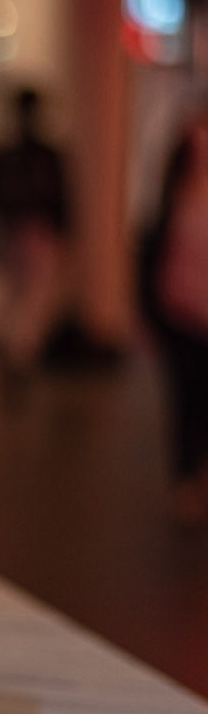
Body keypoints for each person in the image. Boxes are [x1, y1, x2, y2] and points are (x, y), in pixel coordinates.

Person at [0, 87, 70, 391]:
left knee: (22, 297)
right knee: (24, 297)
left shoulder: (17, 155)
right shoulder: (24, 156)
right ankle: (18, 353)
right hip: (21, 232)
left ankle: (17, 352)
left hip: (23, 231)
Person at [142, 107, 208, 524]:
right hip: (181, 309)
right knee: (187, 397)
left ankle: (192, 477)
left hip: (182, 304)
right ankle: (187, 479)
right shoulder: (178, 201)